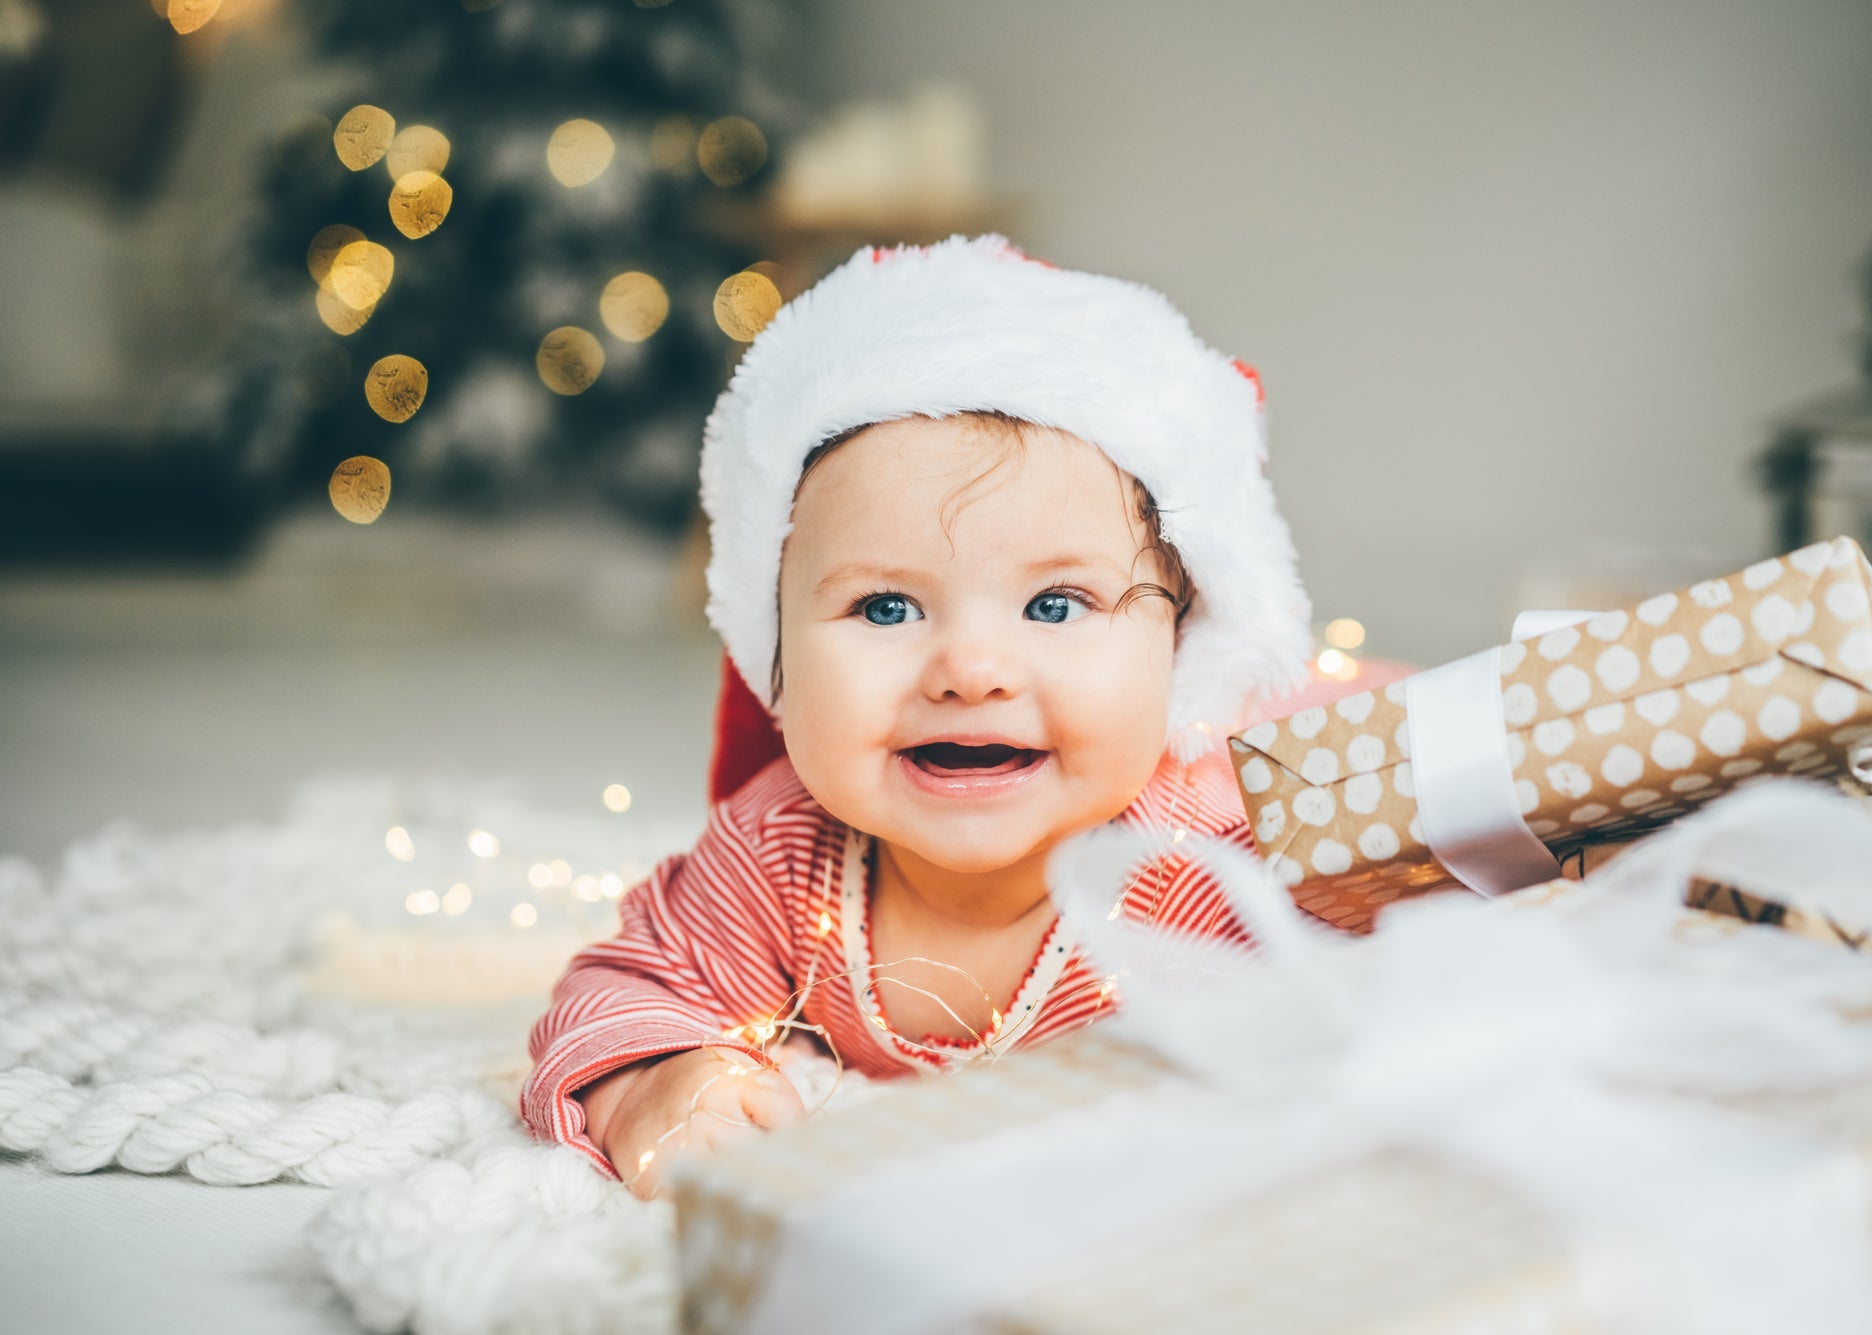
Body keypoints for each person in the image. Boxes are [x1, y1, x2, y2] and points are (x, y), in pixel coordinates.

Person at [522, 235, 1333, 1196]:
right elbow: (629, 987)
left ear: (1184, 646)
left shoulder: (1218, 860)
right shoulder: (780, 853)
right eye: (886, 607)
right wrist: (656, 1082)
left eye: (1056, 605)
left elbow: (1442, 968)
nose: (970, 671)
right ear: (773, 650)